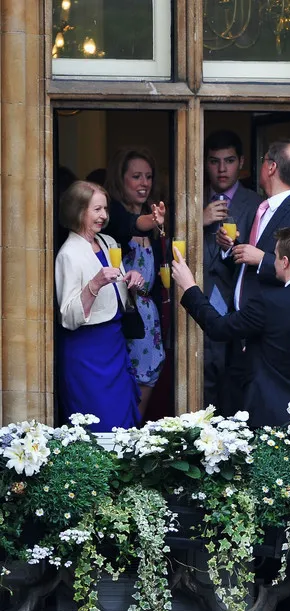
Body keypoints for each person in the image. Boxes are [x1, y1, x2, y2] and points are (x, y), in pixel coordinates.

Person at [171, 227, 290, 429]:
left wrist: (189, 287)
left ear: (285, 262)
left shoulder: (268, 302)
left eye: (275, 256)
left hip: (274, 420)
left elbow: (218, 328)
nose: (273, 261)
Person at [217, 139, 290, 413]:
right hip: (240, 329)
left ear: (271, 167)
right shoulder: (261, 208)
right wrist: (230, 250)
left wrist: (262, 259)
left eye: (264, 159)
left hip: (270, 335)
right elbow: (246, 266)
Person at [55, 180, 144, 431]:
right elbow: (68, 317)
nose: (104, 216)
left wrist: (134, 284)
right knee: (97, 424)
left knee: (121, 427)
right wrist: (94, 284)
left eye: (105, 209)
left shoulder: (109, 243)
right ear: (79, 211)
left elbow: (122, 296)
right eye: (97, 210)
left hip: (114, 344)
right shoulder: (68, 254)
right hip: (86, 353)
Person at [201, 129, 264, 413]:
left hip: (239, 306)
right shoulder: (190, 198)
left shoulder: (257, 204)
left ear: (241, 161)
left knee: (236, 384)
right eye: (214, 161)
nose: (222, 168)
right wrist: (196, 220)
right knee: (201, 382)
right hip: (199, 301)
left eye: (228, 160)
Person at [104, 147, 168, 419]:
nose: (144, 184)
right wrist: (151, 220)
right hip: (120, 313)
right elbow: (132, 223)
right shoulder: (112, 215)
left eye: (148, 177)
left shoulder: (159, 219)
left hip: (148, 314)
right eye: (136, 177)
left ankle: (134, 435)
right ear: (121, 180)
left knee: (148, 379)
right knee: (119, 385)